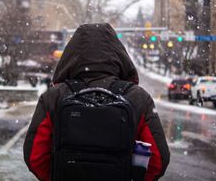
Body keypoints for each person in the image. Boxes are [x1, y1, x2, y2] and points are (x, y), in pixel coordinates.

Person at [23, 23, 170, 181]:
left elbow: (34, 157)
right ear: (119, 55)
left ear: (71, 55)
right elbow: (158, 161)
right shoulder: (138, 97)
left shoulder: (54, 97)